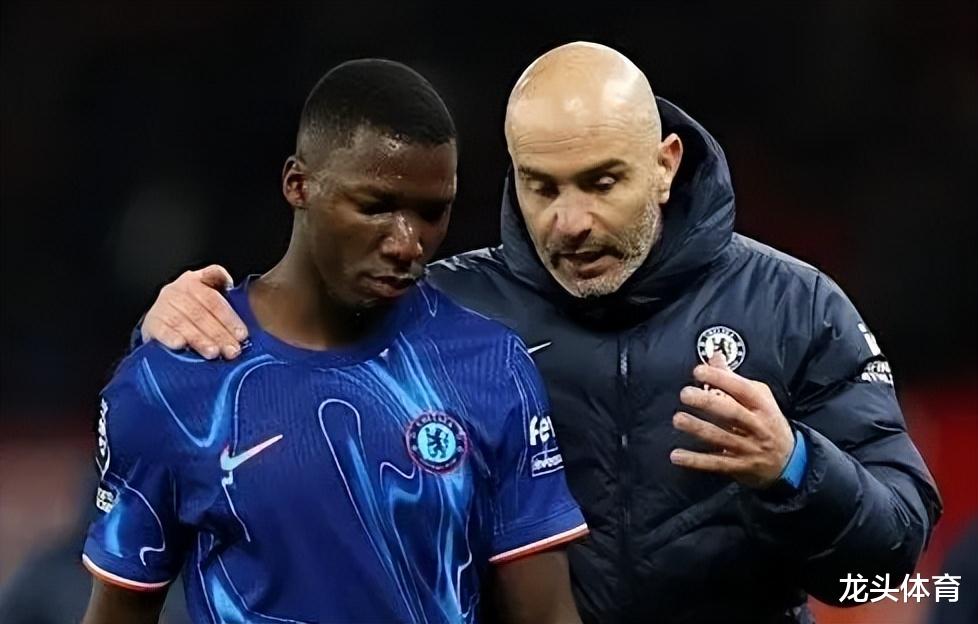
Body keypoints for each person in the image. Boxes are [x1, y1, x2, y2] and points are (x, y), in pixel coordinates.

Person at [136, 43, 942, 623]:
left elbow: (889, 559)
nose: (570, 221)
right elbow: (267, 354)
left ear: (665, 165)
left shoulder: (795, 307)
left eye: (601, 182)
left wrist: (793, 467)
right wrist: (169, 323)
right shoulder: (438, 310)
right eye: (541, 186)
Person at [81, 59, 587, 624]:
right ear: (298, 185)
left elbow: (547, 614)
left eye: (432, 213)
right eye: (376, 207)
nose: (407, 243)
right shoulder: (172, 382)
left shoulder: (490, 366)